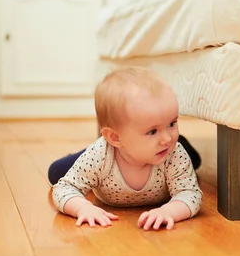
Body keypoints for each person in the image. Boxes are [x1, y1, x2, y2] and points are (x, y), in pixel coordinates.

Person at [50, 66, 203, 231]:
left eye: (172, 123)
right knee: (56, 172)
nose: (167, 138)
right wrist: (82, 208)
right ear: (115, 137)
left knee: (187, 156)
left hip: (151, 152)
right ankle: (79, 155)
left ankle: (182, 142)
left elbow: (190, 192)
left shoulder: (173, 152)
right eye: (152, 131)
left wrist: (170, 211)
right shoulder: (99, 156)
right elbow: (64, 188)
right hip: (106, 155)